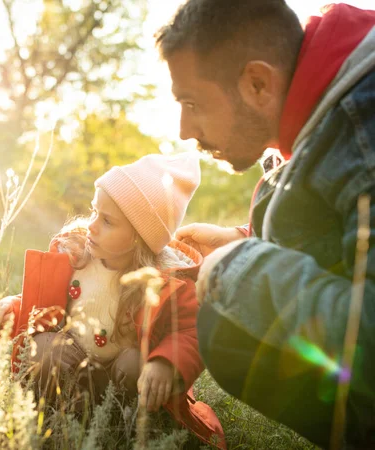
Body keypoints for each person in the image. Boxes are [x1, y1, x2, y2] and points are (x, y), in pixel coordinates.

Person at [155, 0, 375, 448]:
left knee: (229, 325)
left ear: (258, 83)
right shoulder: (315, 107)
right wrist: (242, 239)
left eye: (191, 102)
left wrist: (240, 266)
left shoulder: (363, 133)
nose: (182, 129)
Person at [0, 153, 226, 448]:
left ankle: (124, 422)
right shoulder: (77, 258)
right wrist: (12, 306)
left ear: (139, 237)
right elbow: (43, 303)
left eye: (108, 220)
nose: (92, 226)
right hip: (73, 363)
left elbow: (191, 331)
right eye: (93, 211)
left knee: (136, 364)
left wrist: (167, 362)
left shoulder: (165, 283)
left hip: (121, 376)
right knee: (45, 349)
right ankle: (62, 417)